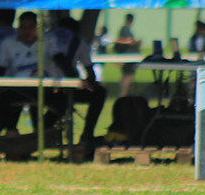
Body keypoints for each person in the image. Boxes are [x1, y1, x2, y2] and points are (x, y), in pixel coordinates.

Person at [45, 17, 106, 146]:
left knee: (59, 103)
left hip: (44, 86)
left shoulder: (46, 37)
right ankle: (87, 134)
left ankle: (43, 130)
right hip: (65, 89)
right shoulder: (79, 41)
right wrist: (80, 81)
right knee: (99, 93)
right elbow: (90, 72)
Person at [113, 13, 141, 97]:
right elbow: (125, 41)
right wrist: (136, 43)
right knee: (128, 75)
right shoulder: (125, 29)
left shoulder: (125, 29)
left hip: (128, 56)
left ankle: (125, 92)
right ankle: (123, 93)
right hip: (128, 56)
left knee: (126, 74)